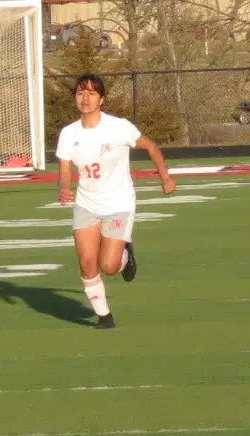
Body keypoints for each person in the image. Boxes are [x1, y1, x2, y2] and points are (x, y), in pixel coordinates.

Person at [56, 73, 176, 329]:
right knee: (87, 263)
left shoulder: (118, 126)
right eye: (80, 93)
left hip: (118, 203)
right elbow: (65, 171)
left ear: (102, 98)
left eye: (91, 93)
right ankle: (104, 316)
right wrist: (64, 187)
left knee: (108, 266)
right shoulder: (68, 133)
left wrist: (165, 177)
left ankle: (124, 252)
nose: (85, 98)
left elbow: (151, 147)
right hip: (86, 204)